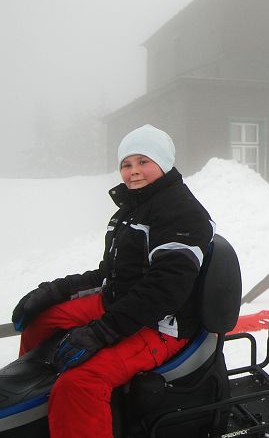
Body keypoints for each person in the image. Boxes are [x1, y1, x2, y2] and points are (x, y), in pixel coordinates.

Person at [11, 124, 214, 438]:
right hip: (123, 303)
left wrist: (102, 332)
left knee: (81, 382)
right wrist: (55, 291)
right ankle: (33, 410)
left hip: (161, 324)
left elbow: (164, 291)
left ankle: (74, 408)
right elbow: (109, 273)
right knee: (42, 321)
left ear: (163, 163)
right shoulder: (132, 209)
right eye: (126, 164)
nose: (133, 171)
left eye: (143, 161)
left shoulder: (182, 212)